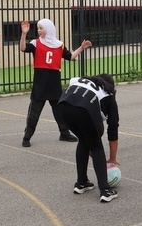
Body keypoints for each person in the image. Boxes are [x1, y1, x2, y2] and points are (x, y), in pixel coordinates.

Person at [20, 19, 92, 147]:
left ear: (49, 29)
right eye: (38, 28)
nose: (39, 30)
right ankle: (27, 137)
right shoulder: (35, 43)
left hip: (54, 83)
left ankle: (64, 133)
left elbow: (70, 57)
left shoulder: (59, 45)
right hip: (40, 84)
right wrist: (24, 33)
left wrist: (81, 48)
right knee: (34, 113)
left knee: (59, 111)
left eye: (41, 28)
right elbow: (23, 48)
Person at [56, 74, 119, 203]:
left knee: (84, 140)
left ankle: (81, 182)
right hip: (83, 109)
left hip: (62, 107)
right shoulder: (108, 95)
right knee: (96, 145)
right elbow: (113, 128)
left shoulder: (79, 80)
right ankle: (105, 191)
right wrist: (112, 158)